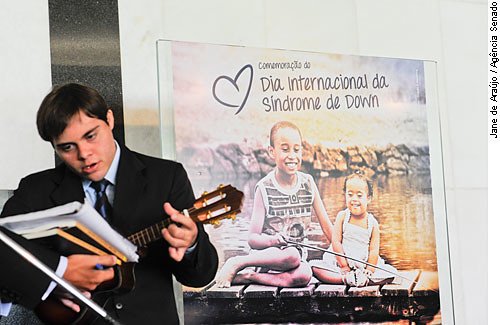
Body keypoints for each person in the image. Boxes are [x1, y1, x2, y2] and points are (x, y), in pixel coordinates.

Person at [0, 83, 219, 324]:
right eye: (67, 147)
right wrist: (58, 278)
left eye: (91, 136)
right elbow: (5, 257)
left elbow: (200, 277)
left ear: (110, 119)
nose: (84, 154)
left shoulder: (166, 177)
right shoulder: (35, 190)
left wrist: (191, 244)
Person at [216, 121, 333, 288]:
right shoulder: (264, 188)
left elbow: (327, 227)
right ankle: (238, 262)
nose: (292, 155)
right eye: (285, 149)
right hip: (268, 260)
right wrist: (273, 241)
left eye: (297, 149)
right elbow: (252, 239)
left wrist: (344, 260)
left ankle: (250, 276)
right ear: (272, 152)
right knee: (292, 254)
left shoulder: (308, 183)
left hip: (294, 264)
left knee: (305, 274)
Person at [310, 171, 398, 287]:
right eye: (350, 194)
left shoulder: (372, 223)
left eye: (359, 195)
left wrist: (370, 270)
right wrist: (344, 266)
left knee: (391, 273)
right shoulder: (343, 217)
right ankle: (345, 279)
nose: (354, 199)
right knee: (315, 267)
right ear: (345, 195)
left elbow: (373, 251)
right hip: (340, 263)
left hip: (364, 264)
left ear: (369, 198)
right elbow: (336, 242)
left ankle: (365, 280)